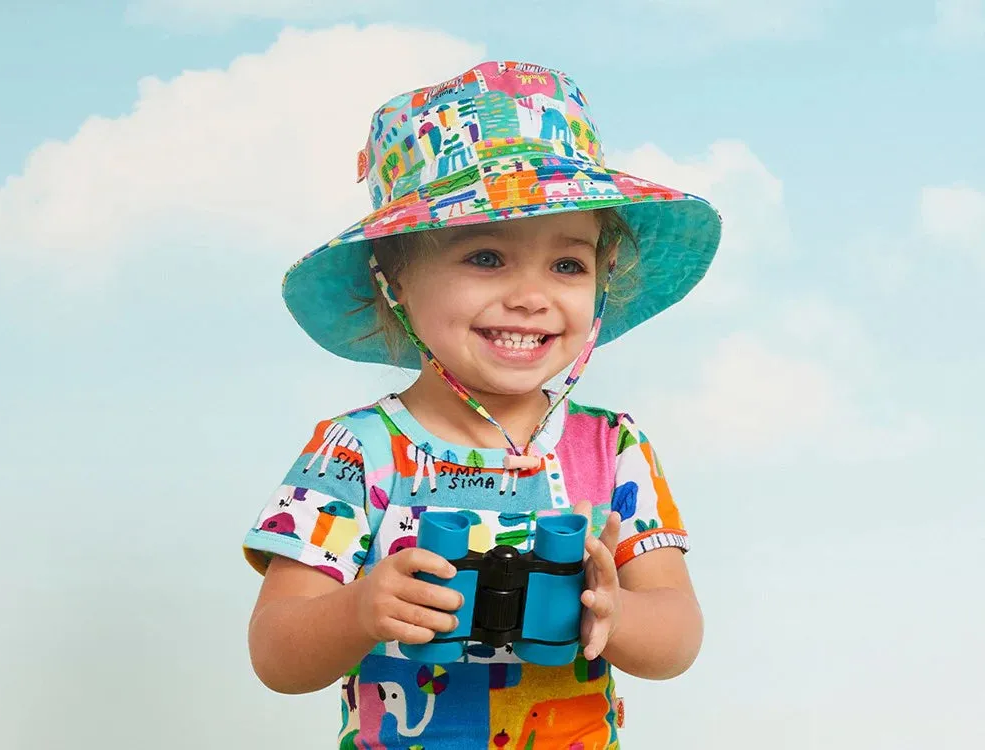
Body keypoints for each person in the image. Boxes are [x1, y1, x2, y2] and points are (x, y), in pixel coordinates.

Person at [242, 60, 722, 749]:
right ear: (396, 282)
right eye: (488, 257)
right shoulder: (354, 451)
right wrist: (362, 609)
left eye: (568, 265)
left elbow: (678, 634)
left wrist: (612, 612)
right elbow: (275, 653)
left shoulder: (612, 446)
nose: (532, 295)